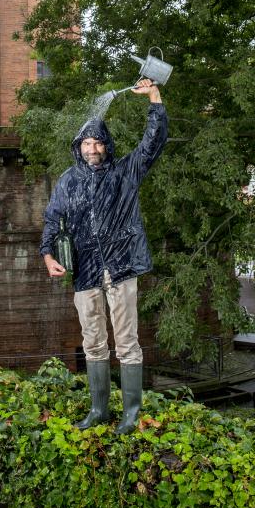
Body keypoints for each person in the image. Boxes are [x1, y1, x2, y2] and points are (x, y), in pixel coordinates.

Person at [40, 79, 168, 434]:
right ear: (78, 146)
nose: (92, 148)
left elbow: (152, 144)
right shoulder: (68, 181)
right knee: (92, 341)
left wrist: (155, 100)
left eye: (97, 142)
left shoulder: (125, 172)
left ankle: (130, 413)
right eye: (87, 142)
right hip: (84, 272)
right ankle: (99, 410)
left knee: (127, 342)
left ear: (107, 146)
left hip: (122, 267)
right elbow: (53, 218)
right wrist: (47, 254)